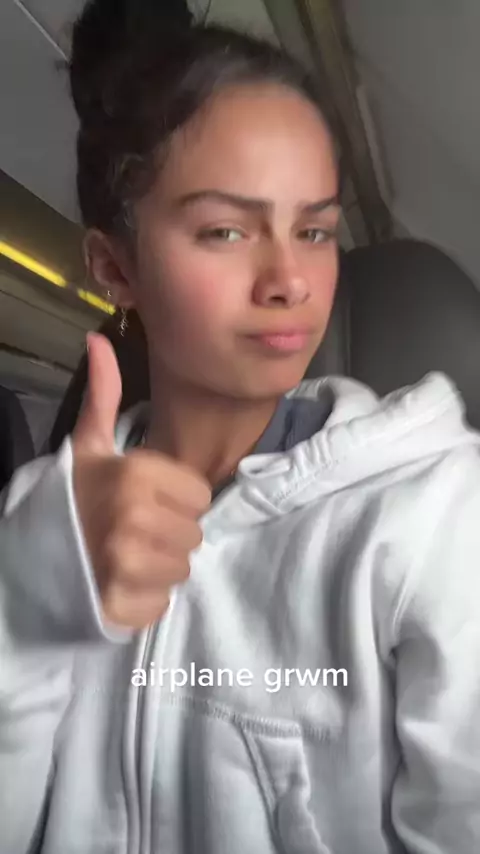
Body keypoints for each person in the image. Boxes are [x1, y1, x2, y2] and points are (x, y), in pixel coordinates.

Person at [1, 2, 480, 852]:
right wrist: (31, 606)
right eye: (226, 230)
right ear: (116, 267)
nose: (291, 279)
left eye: (315, 230)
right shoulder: (44, 514)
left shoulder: (437, 515)